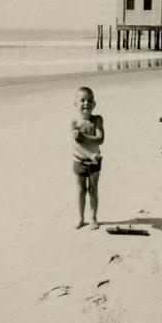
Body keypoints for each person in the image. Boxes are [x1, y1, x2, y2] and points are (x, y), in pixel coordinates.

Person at [71, 86, 104, 230]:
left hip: (95, 162)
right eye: (82, 100)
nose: (86, 103)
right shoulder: (74, 123)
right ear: (75, 104)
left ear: (94, 104)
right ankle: (80, 218)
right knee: (80, 191)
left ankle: (93, 218)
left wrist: (83, 136)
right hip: (79, 161)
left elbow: (100, 139)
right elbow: (75, 144)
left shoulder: (97, 120)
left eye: (90, 101)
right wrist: (89, 154)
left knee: (92, 190)